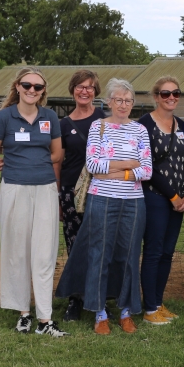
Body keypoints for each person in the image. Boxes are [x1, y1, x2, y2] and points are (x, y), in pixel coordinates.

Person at [57, 78, 152, 336]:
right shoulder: (99, 127)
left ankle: (125, 311)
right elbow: (94, 166)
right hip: (101, 199)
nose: (123, 104)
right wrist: (128, 163)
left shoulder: (140, 130)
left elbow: (147, 170)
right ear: (109, 102)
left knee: (129, 255)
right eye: (118, 100)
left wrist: (116, 171)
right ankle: (99, 312)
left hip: (133, 202)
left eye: (128, 100)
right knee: (100, 254)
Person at [0, 67, 66, 337]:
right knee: (17, 252)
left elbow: (57, 153)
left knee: (44, 254)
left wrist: (37, 162)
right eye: (27, 85)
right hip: (15, 189)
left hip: (44, 189)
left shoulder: (50, 117)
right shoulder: (5, 117)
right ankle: (23, 314)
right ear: (18, 87)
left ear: (43, 92)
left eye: (38, 87)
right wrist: (3, 164)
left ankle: (45, 319)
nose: (32, 90)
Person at [139, 76, 184, 325]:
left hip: (179, 201)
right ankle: (149, 308)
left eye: (176, 93)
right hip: (156, 198)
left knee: (168, 253)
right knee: (153, 251)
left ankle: (159, 303)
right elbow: (147, 166)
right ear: (156, 96)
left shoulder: (181, 125)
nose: (171, 97)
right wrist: (172, 196)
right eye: (165, 93)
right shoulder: (144, 126)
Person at [57, 69, 108, 321]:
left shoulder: (106, 120)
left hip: (103, 190)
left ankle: (100, 296)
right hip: (71, 191)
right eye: (80, 86)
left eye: (89, 87)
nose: (84, 91)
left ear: (95, 91)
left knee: (101, 242)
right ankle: (75, 298)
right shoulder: (63, 125)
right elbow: (57, 162)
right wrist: (58, 196)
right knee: (75, 244)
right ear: (73, 90)